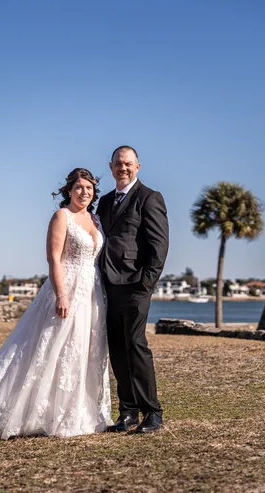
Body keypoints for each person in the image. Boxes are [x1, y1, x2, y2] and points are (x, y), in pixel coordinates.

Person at [0, 168, 111, 442]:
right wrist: (61, 295)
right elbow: (54, 259)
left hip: (92, 292)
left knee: (83, 349)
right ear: (69, 190)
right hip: (68, 287)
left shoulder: (95, 219)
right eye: (79, 187)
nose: (85, 192)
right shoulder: (63, 216)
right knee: (47, 348)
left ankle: (73, 413)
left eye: (89, 188)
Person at [97, 146, 169, 434]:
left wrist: (146, 283)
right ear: (111, 167)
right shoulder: (102, 202)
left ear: (137, 166)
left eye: (127, 164)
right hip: (106, 287)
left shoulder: (150, 198)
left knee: (136, 346)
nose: (122, 168)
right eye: (117, 164)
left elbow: (159, 245)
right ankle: (128, 412)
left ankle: (153, 412)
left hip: (136, 286)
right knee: (116, 349)